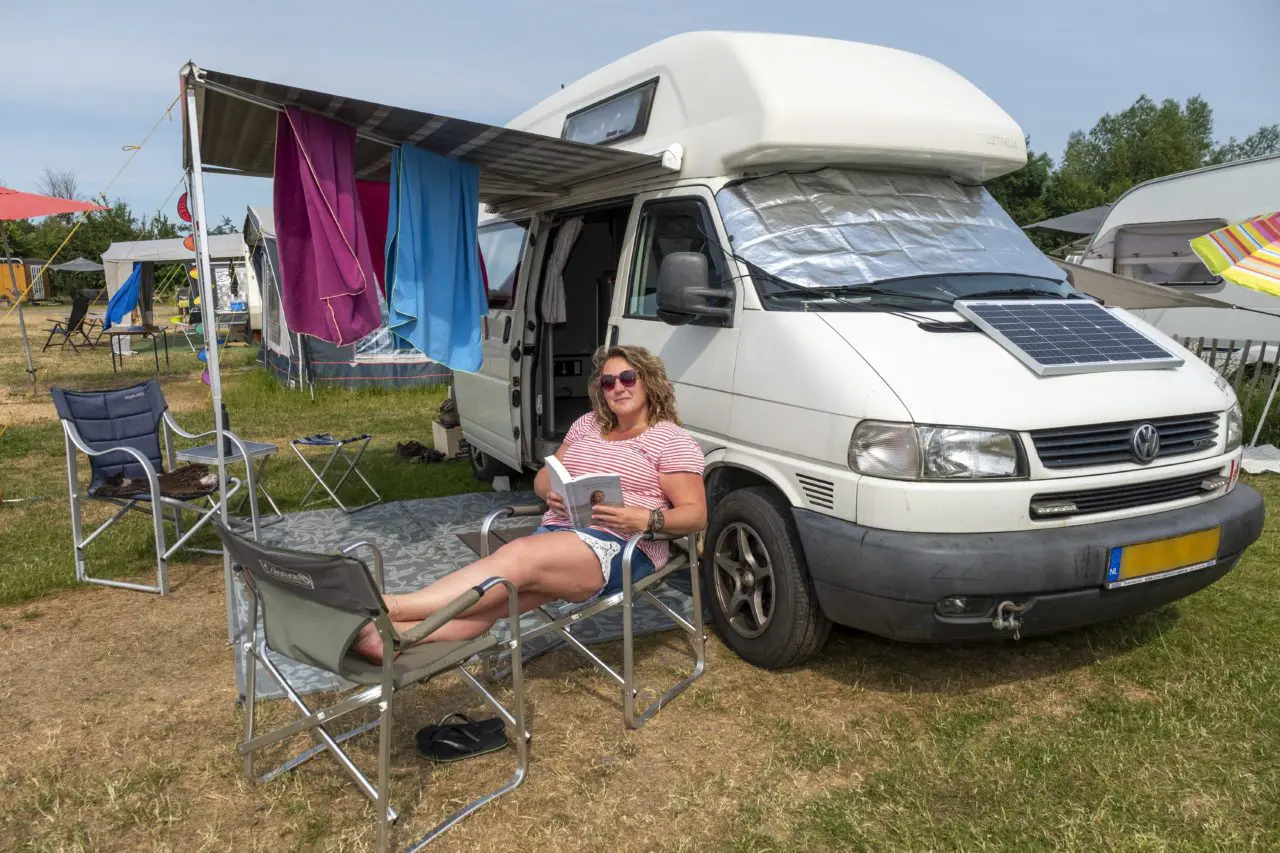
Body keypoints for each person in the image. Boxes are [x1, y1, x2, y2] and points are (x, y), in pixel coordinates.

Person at [351, 344, 707, 662]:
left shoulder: (669, 439)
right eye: (608, 382)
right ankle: (390, 641)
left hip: (622, 546)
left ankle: (389, 606)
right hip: (559, 531)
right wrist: (550, 493)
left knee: (517, 557)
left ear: (648, 381)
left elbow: (696, 515)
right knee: (497, 600)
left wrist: (645, 519)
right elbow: (544, 477)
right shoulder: (587, 425)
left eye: (627, 378)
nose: (618, 388)